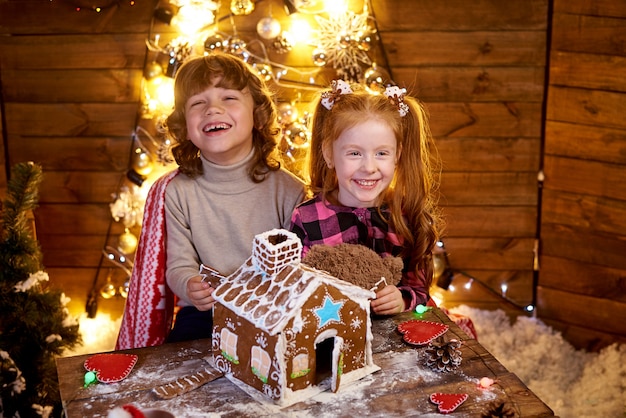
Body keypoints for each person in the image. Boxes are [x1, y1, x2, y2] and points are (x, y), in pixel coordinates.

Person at [160, 53, 305, 343]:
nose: (212, 110)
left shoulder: (289, 190)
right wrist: (190, 285)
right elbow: (178, 263)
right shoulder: (178, 192)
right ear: (184, 124)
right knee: (180, 353)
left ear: (257, 115)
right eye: (197, 103)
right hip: (208, 311)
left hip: (272, 307)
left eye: (228, 98)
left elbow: (299, 266)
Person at [290, 80, 443, 316]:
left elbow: (419, 290)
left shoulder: (406, 215)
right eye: (354, 153)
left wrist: (402, 299)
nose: (369, 167)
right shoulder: (307, 217)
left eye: (381, 153)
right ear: (329, 154)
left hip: (393, 338)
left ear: (397, 155)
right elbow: (296, 286)